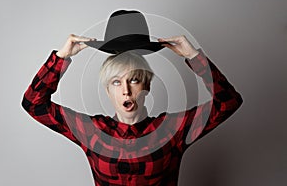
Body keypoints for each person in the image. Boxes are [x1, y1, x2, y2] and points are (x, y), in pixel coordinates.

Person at [22, 10, 243, 186]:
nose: (126, 90)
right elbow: (33, 103)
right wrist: (61, 57)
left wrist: (194, 57)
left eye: (134, 80)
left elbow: (229, 102)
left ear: (146, 85)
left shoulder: (173, 129)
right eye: (116, 82)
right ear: (107, 90)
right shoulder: (89, 130)